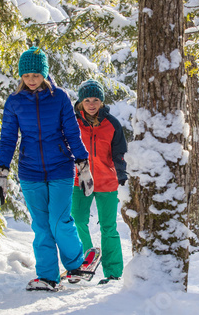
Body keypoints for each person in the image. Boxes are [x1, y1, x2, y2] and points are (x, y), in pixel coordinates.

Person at [0, 46, 95, 291]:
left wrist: (83, 165)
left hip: (60, 167)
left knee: (59, 220)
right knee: (41, 225)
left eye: (36, 75)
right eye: (27, 75)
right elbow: (8, 138)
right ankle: (48, 276)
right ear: (21, 75)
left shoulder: (59, 97)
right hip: (30, 172)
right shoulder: (14, 101)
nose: (31, 80)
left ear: (44, 74)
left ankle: (76, 265)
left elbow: (72, 132)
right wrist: (2, 171)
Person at [71, 79, 127, 284]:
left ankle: (112, 272)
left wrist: (121, 173)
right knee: (77, 220)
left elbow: (119, 152)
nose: (92, 104)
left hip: (106, 181)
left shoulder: (112, 124)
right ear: (81, 102)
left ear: (102, 101)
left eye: (96, 99)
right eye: (87, 99)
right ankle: (83, 262)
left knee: (108, 227)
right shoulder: (72, 122)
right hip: (79, 180)